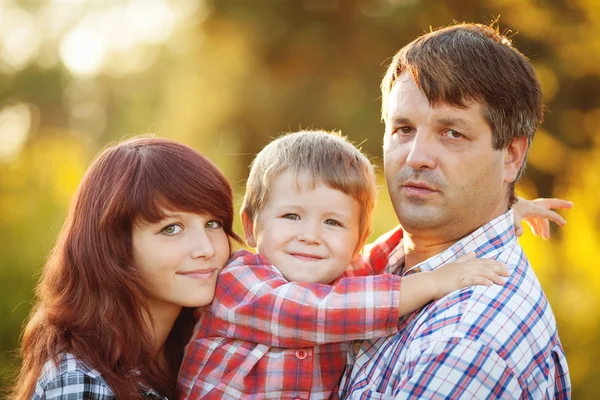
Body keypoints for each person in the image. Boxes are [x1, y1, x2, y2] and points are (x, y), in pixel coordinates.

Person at [178, 130, 564, 399]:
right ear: (250, 224)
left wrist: (500, 214)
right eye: (291, 217)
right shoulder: (240, 283)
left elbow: (381, 256)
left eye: (333, 222)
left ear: (356, 239)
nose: (310, 235)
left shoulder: (342, 276)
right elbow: (320, 313)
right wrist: (432, 282)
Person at [338, 23, 572, 398]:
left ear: (511, 155)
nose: (416, 158)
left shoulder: (467, 340)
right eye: (403, 129)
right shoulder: (380, 261)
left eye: (452, 133)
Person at [11, 137, 242, 399]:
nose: (207, 249)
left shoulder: (202, 351)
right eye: (171, 228)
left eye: (213, 224)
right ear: (114, 247)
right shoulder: (82, 381)